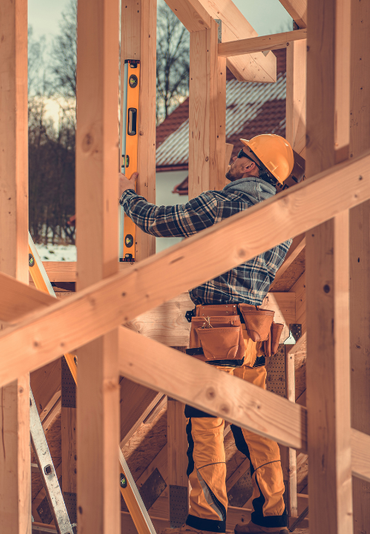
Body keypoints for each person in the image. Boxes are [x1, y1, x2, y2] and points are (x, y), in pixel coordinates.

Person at [118, 134, 297, 534]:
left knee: (206, 422)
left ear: (251, 166)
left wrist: (126, 195)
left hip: (216, 330)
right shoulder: (285, 219)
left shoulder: (224, 203)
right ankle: (273, 517)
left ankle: (206, 520)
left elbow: (158, 220)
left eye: (240, 155)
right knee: (255, 425)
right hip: (254, 333)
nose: (232, 159)